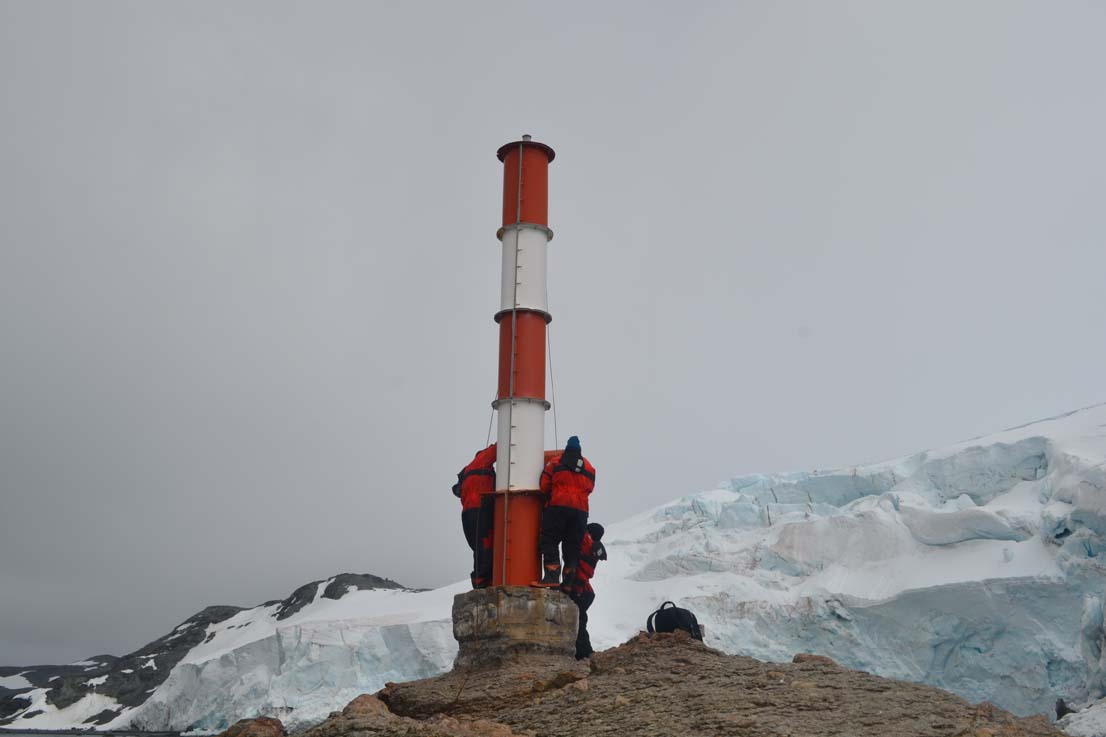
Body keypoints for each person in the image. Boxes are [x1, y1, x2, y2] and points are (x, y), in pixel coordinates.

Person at [534, 435, 596, 588]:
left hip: (558, 507)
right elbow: (590, 488)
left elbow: (544, 485)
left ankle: (552, 576)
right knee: (572, 546)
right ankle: (568, 582)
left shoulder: (556, 462)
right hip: (581, 512)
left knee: (550, 539)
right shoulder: (589, 468)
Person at [453, 443, 496, 588]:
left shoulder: (467, 471)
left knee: (479, 547)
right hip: (480, 508)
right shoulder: (482, 460)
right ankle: (482, 581)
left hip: (468, 512)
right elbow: (499, 446)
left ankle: (481, 580)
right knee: (485, 545)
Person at [569, 522, 607, 660]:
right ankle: (584, 652)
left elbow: (579, 531)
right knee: (580, 620)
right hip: (585, 591)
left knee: (577, 622)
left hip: (580, 589)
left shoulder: (587, 543)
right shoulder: (595, 546)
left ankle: (583, 653)